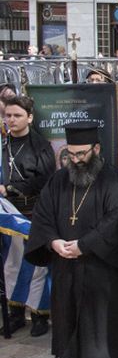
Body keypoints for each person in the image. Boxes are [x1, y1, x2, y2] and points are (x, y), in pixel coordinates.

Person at [25, 123, 118, 358]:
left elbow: (116, 220)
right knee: (70, 309)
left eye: (81, 154)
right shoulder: (58, 180)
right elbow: (43, 215)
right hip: (65, 260)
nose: (75, 160)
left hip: (102, 262)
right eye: (71, 154)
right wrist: (53, 242)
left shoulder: (114, 181)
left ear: (96, 149)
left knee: (102, 314)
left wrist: (83, 245)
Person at [2, 95, 57, 336]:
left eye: (17, 115)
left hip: (31, 212)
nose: (11, 120)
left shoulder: (40, 145)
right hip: (5, 213)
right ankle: (15, 313)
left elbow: (44, 179)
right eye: (8, 115)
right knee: (11, 264)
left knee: (37, 265)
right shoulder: (2, 145)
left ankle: (39, 315)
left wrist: (12, 188)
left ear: (29, 117)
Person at [85, 68, 118, 185]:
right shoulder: (82, 111)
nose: (94, 84)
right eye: (91, 80)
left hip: (115, 175)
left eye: (98, 80)